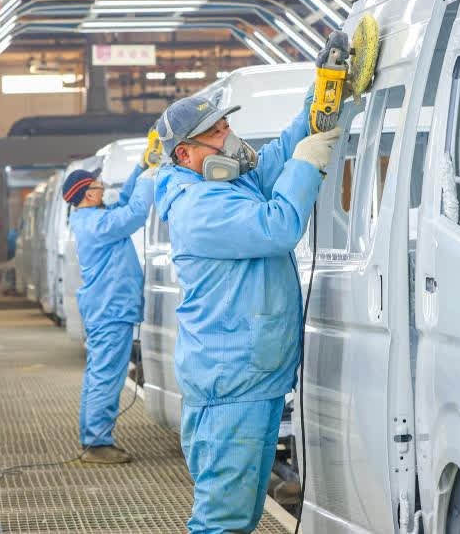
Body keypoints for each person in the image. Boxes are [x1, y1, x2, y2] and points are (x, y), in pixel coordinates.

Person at [153, 87, 341, 532]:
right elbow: (277, 227)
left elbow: (275, 158)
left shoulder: (226, 181)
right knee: (223, 520)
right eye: (215, 133)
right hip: (231, 381)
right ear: (186, 153)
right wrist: (307, 163)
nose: (229, 137)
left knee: (242, 515)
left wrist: (320, 101)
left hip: (250, 374)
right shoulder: (199, 207)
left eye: (226, 125)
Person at [62, 155, 155, 464]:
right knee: (106, 375)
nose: (103, 188)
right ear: (88, 193)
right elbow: (136, 213)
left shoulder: (93, 218)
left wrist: (142, 166)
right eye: (98, 185)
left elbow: (125, 202)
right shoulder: (97, 224)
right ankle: (97, 443)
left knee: (100, 373)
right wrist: (150, 177)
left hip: (107, 307)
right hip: (110, 308)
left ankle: (94, 437)